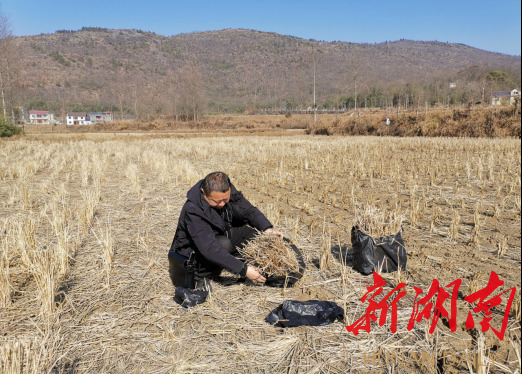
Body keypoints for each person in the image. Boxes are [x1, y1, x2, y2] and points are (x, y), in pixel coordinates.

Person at [169, 171, 283, 289]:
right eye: (217, 201)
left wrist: (267, 228)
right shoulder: (193, 210)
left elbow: (248, 211)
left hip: (222, 232)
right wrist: (243, 270)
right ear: (204, 192)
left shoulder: (226, 191)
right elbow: (209, 248)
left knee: (255, 236)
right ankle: (202, 276)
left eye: (226, 199)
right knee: (224, 245)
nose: (222, 204)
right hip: (196, 252)